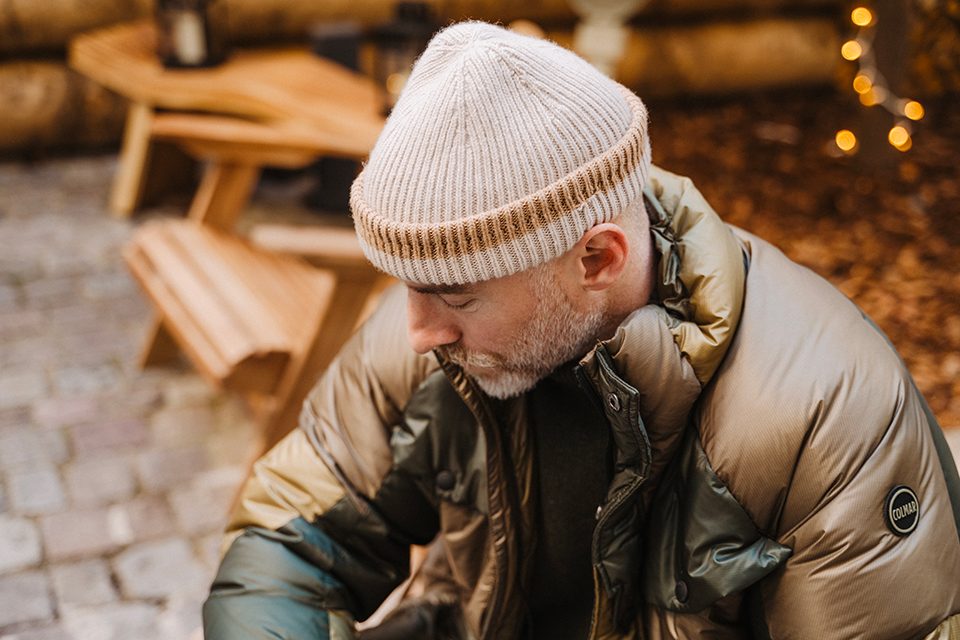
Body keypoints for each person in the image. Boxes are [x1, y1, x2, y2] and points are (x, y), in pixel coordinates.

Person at [203, 21, 960, 640]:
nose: (416, 331)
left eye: (454, 295)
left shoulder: (827, 421)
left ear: (596, 256)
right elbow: (287, 536)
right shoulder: (440, 341)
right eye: (407, 285)